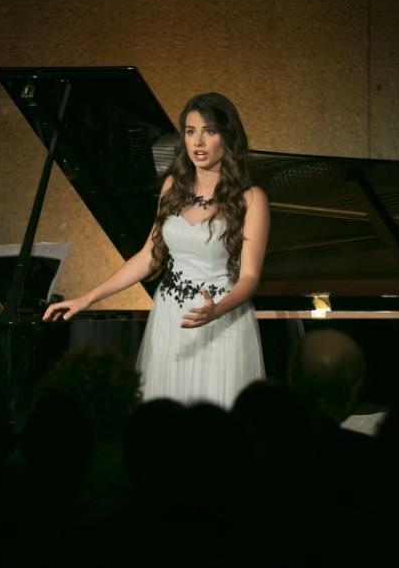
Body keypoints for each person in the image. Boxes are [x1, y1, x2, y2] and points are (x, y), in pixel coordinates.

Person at [43, 92, 270, 408]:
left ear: (227, 136)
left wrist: (216, 310)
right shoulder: (172, 188)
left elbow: (249, 277)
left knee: (214, 422)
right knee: (165, 421)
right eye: (190, 131)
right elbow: (150, 256)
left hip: (221, 319)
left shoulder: (251, 198)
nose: (198, 141)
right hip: (170, 317)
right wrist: (87, 298)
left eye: (209, 131)